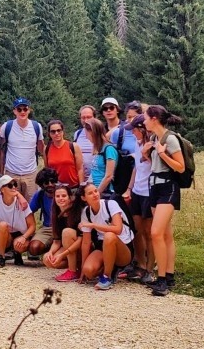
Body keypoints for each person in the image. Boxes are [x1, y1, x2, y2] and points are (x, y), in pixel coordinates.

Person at [144, 104, 186, 297]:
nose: (143, 121)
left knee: (156, 233)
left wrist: (161, 153)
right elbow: (154, 164)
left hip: (168, 188)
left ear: (154, 118)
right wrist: (147, 153)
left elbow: (180, 167)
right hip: (154, 186)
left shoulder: (170, 139)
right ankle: (169, 276)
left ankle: (161, 280)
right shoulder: (154, 138)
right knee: (166, 235)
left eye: (145, 117)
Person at [116, 114, 154, 283]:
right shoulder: (139, 145)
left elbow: (155, 166)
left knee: (149, 233)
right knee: (137, 230)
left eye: (134, 130)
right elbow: (136, 169)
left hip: (149, 192)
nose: (132, 133)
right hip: (137, 191)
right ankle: (141, 263)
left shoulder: (151, 145)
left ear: (141, 129)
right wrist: (129, 188)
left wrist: (147, 154)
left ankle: (150, 268)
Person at [78, 182, 134, 290]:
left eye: (95, 191)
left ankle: (107, 277)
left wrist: (93, 225)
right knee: (88, 271)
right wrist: (82, 270)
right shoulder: (86, 212)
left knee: (109, 236)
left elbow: (118, 229)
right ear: (84, 198)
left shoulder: (110, 204)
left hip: (123, 248)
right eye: (90, 193)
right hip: (103, 247)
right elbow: (86, 242)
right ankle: (110, 268)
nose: (95, 194)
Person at [0, 97, 43, 200]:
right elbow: (1, 151)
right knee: (12, 204)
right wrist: (1, 172)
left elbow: (42, 149)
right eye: (19, 109)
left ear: (29, 110)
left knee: (30, 207)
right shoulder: (6, 127)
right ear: (14, 111)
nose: (22, 112)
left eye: (25, 109)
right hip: (11, 173)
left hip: (31, 174)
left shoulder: (37, 127)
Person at [0, 174, 35, 266]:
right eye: (10, 185)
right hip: (6, 233)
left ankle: (17, 253)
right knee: (2, 225)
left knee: (19, 246)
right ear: (2, 189)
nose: (14, 187)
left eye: (15, 184)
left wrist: (24, 237)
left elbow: (33, 226)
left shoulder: (22, 202)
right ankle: (1, 257)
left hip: (21, 233)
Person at [43, 184, 85, 282]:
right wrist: (50, 252)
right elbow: (56, 241)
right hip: (68, 246)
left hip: (82, 245)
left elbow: (81, 239)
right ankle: (77, 267)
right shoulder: (56, 213)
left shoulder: (78, 211)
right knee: (47, 259)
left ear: (70, 197)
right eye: (57, 196)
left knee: (67, 232)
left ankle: (72, 270)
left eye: (64, 196)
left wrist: (62, 254)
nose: (60, 198)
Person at [21, 166, 59, 260]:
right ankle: (47, 248)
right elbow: (28, 212)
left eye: (53, 181)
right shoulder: (40, 195)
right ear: (41, 185)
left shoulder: (63, 192)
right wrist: (31, 229)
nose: (50, 184)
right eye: (46, 183)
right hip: (48, 228)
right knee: (34, 248)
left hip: (63, 228)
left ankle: (56, 251)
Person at [44, 118, 84, 186]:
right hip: (56, 189)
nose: (56, 133)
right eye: (53, 131)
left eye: (59, 130)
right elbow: (47, 170)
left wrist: (81, 187)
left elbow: (80, 169)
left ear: (63, 131)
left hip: (73, 187)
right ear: (49, 134)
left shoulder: (73, 147)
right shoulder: (47, 149)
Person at [84, 117, 118, 191]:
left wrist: (98, 192)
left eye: (87, 133)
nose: (86, 137)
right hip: (94, 189)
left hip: (105, 191)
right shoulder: (97, 149)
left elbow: (109, 176)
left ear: (93, 132)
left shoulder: (109, 149)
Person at [73, 104, 97, 177]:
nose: (86, 120)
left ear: (95, 118)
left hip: (97, 178)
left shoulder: (101, 134)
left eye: (89, 117)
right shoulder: (77, 134)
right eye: (83, 117)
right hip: (81, 177)